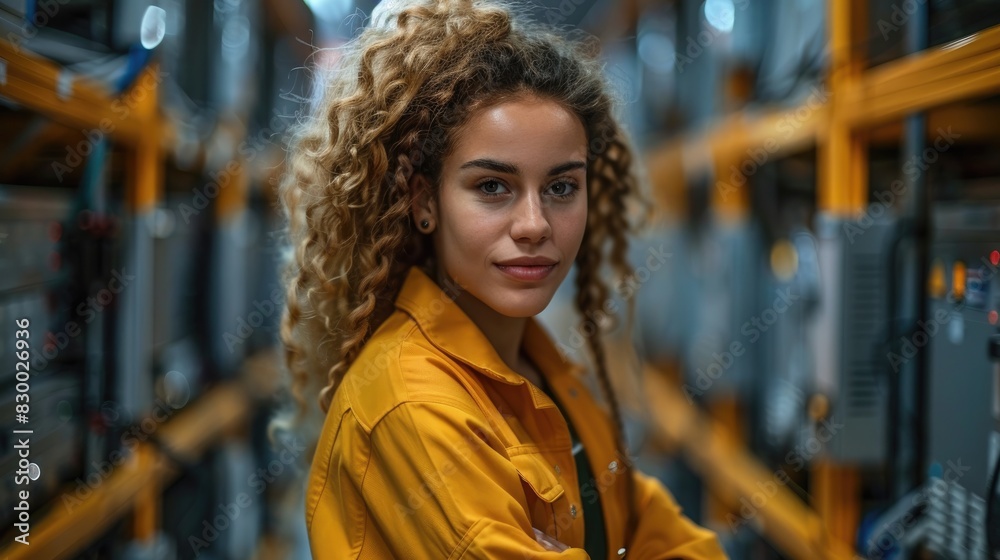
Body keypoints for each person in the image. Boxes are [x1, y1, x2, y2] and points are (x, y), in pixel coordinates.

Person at [276, 0, 728, 558]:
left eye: (562, 187)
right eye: (493, 187)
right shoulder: (412, 405)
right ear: (424, 200)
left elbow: (672, 538)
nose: (535, 225)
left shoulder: (545, 373)